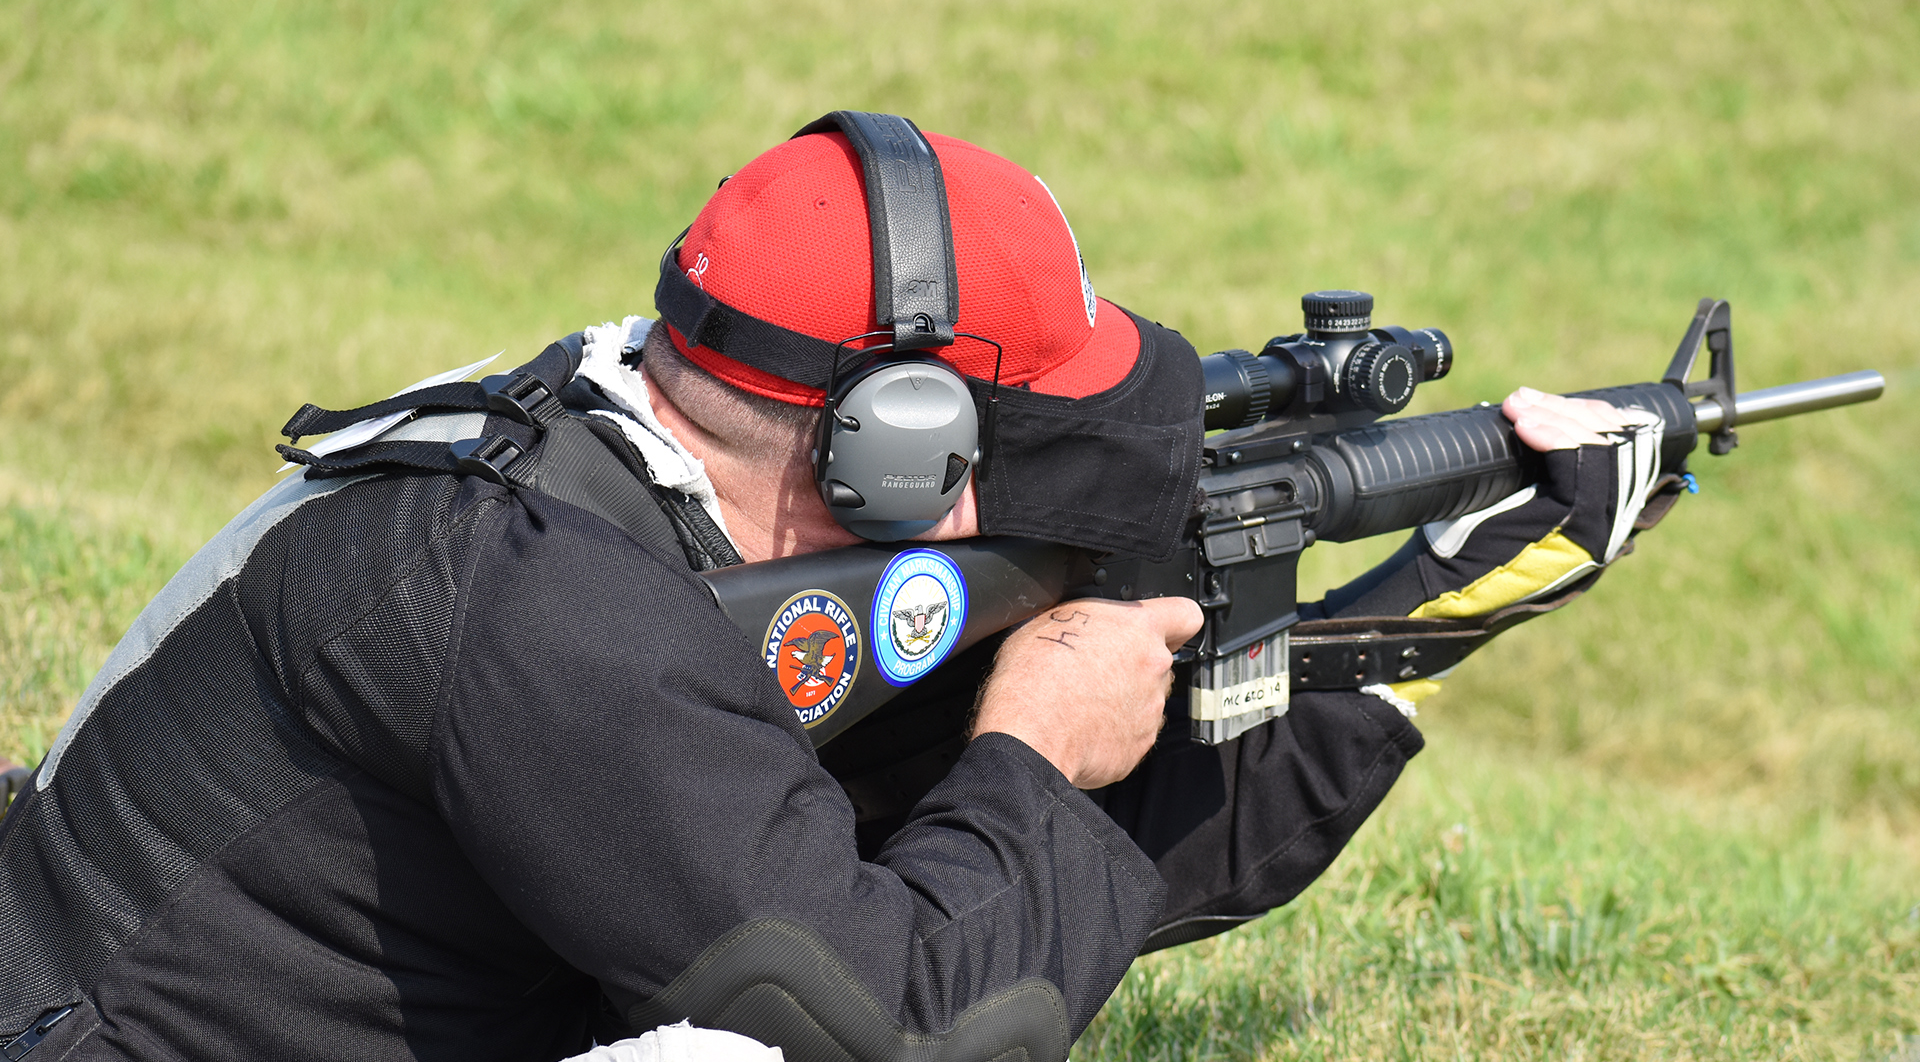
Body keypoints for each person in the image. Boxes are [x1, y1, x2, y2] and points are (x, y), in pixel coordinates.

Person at [0, 117, 1667, 1062]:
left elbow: (1022, 879)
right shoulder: (553, 616)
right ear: (886, 436)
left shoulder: (586, 461)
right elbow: (916, 1020)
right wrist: (1029, 751)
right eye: (995, 443)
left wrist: (1441, 601)